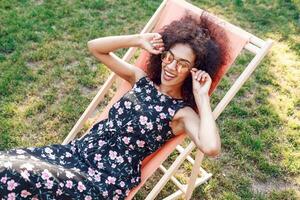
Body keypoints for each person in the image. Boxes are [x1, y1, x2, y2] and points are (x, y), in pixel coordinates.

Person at [0, 14, 223, 200]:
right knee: (5, 163)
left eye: (182, 64)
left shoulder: (181, 113)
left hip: (103, 179)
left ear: (194, 71)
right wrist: (138, 39)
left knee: (14, 174)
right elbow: (95, 47)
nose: (171, 67)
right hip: (76, 153)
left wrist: (202, 97)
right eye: (169, 57)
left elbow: (211, 148)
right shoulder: (141, 79)